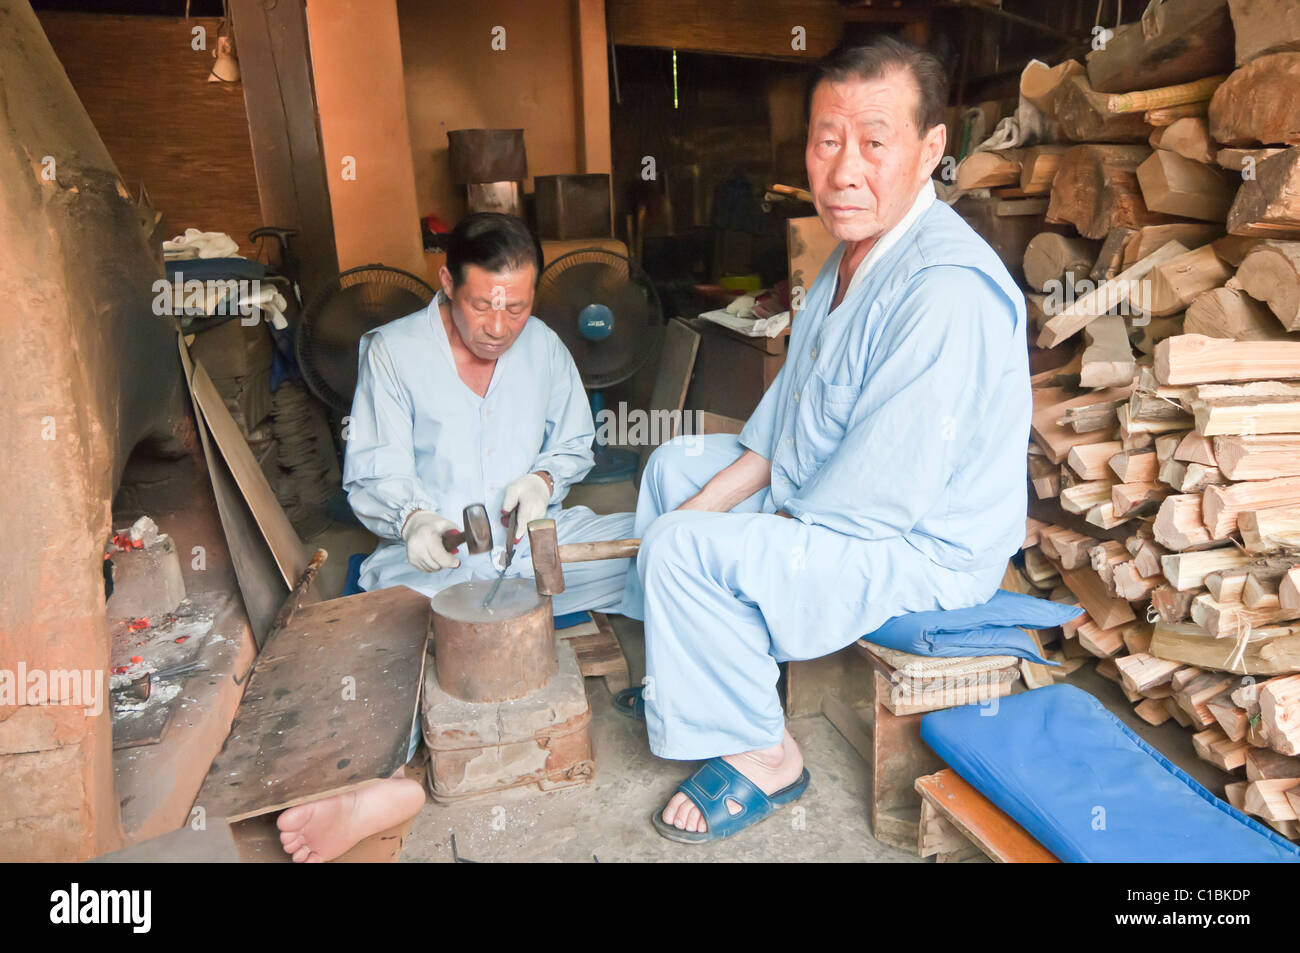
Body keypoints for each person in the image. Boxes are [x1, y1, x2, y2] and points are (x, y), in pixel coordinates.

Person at [619, 36, 1030, 843]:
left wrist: (701, 539)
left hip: (918, 546)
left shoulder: (945, 291)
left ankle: (765, 756)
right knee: (673, 469)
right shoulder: (850, 259)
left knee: (684, 552)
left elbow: (874, 502)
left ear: (929, 151)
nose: (843, 169)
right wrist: (699, 508)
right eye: (826, 139)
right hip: (833, 492)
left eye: (874, 142)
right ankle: (687, 665)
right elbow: (782, 431)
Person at [276, 213, 633, 862]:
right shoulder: (392, 350)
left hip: (535, 545)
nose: (499, 326)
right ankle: (375, 785)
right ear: (446, 282)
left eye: (517, 308)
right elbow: (374, 471)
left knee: (658, 551)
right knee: (392, 639)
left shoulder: (545, 347)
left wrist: (545, 479)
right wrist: (412, 521)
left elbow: (576, 442)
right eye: (482, 305)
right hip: (439, 556)